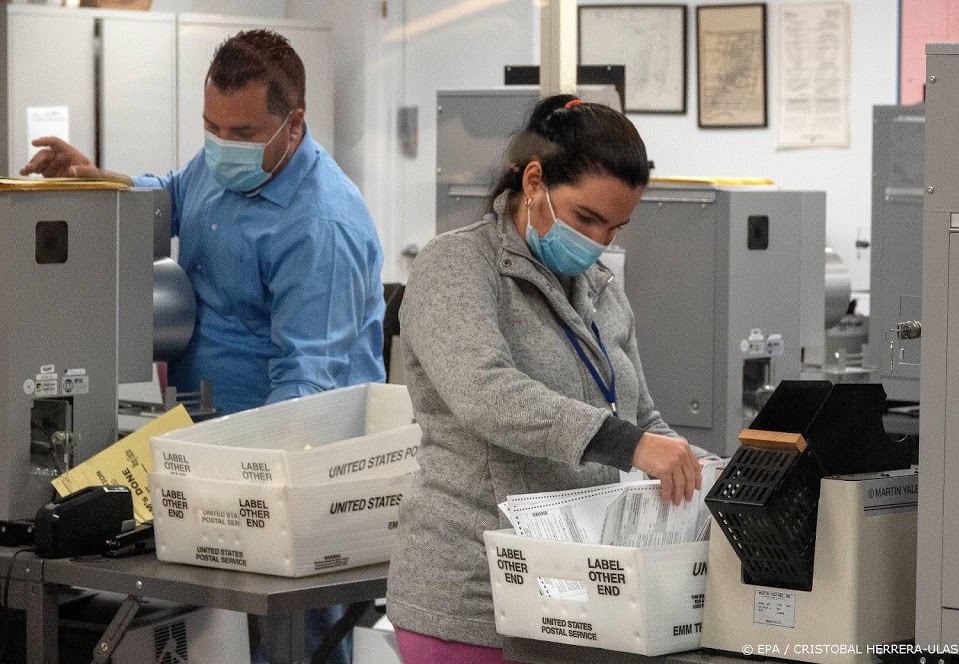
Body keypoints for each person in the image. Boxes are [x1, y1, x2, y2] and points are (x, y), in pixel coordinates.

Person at [21, 29, 383, 664]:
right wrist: (97, 182)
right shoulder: (220, 169)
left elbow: (310, 388)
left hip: (287, 471)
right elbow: (172, 196)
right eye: (212, 127)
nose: (223, 147)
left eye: (241, 134)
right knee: (218, 641)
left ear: (292, 125)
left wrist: (256, 492)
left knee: (292, 646)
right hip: (207, 443)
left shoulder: (320, 225)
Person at [386, 94, 717, 663]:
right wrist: (630, 445)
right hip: (470, 599)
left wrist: (710, 472)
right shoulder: (457, 266)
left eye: (614, 228)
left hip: (571, 597)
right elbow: (487, 394)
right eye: (586, 218)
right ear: (534, 181)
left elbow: (639, 415)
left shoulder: (601, 292)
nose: (597, 242)